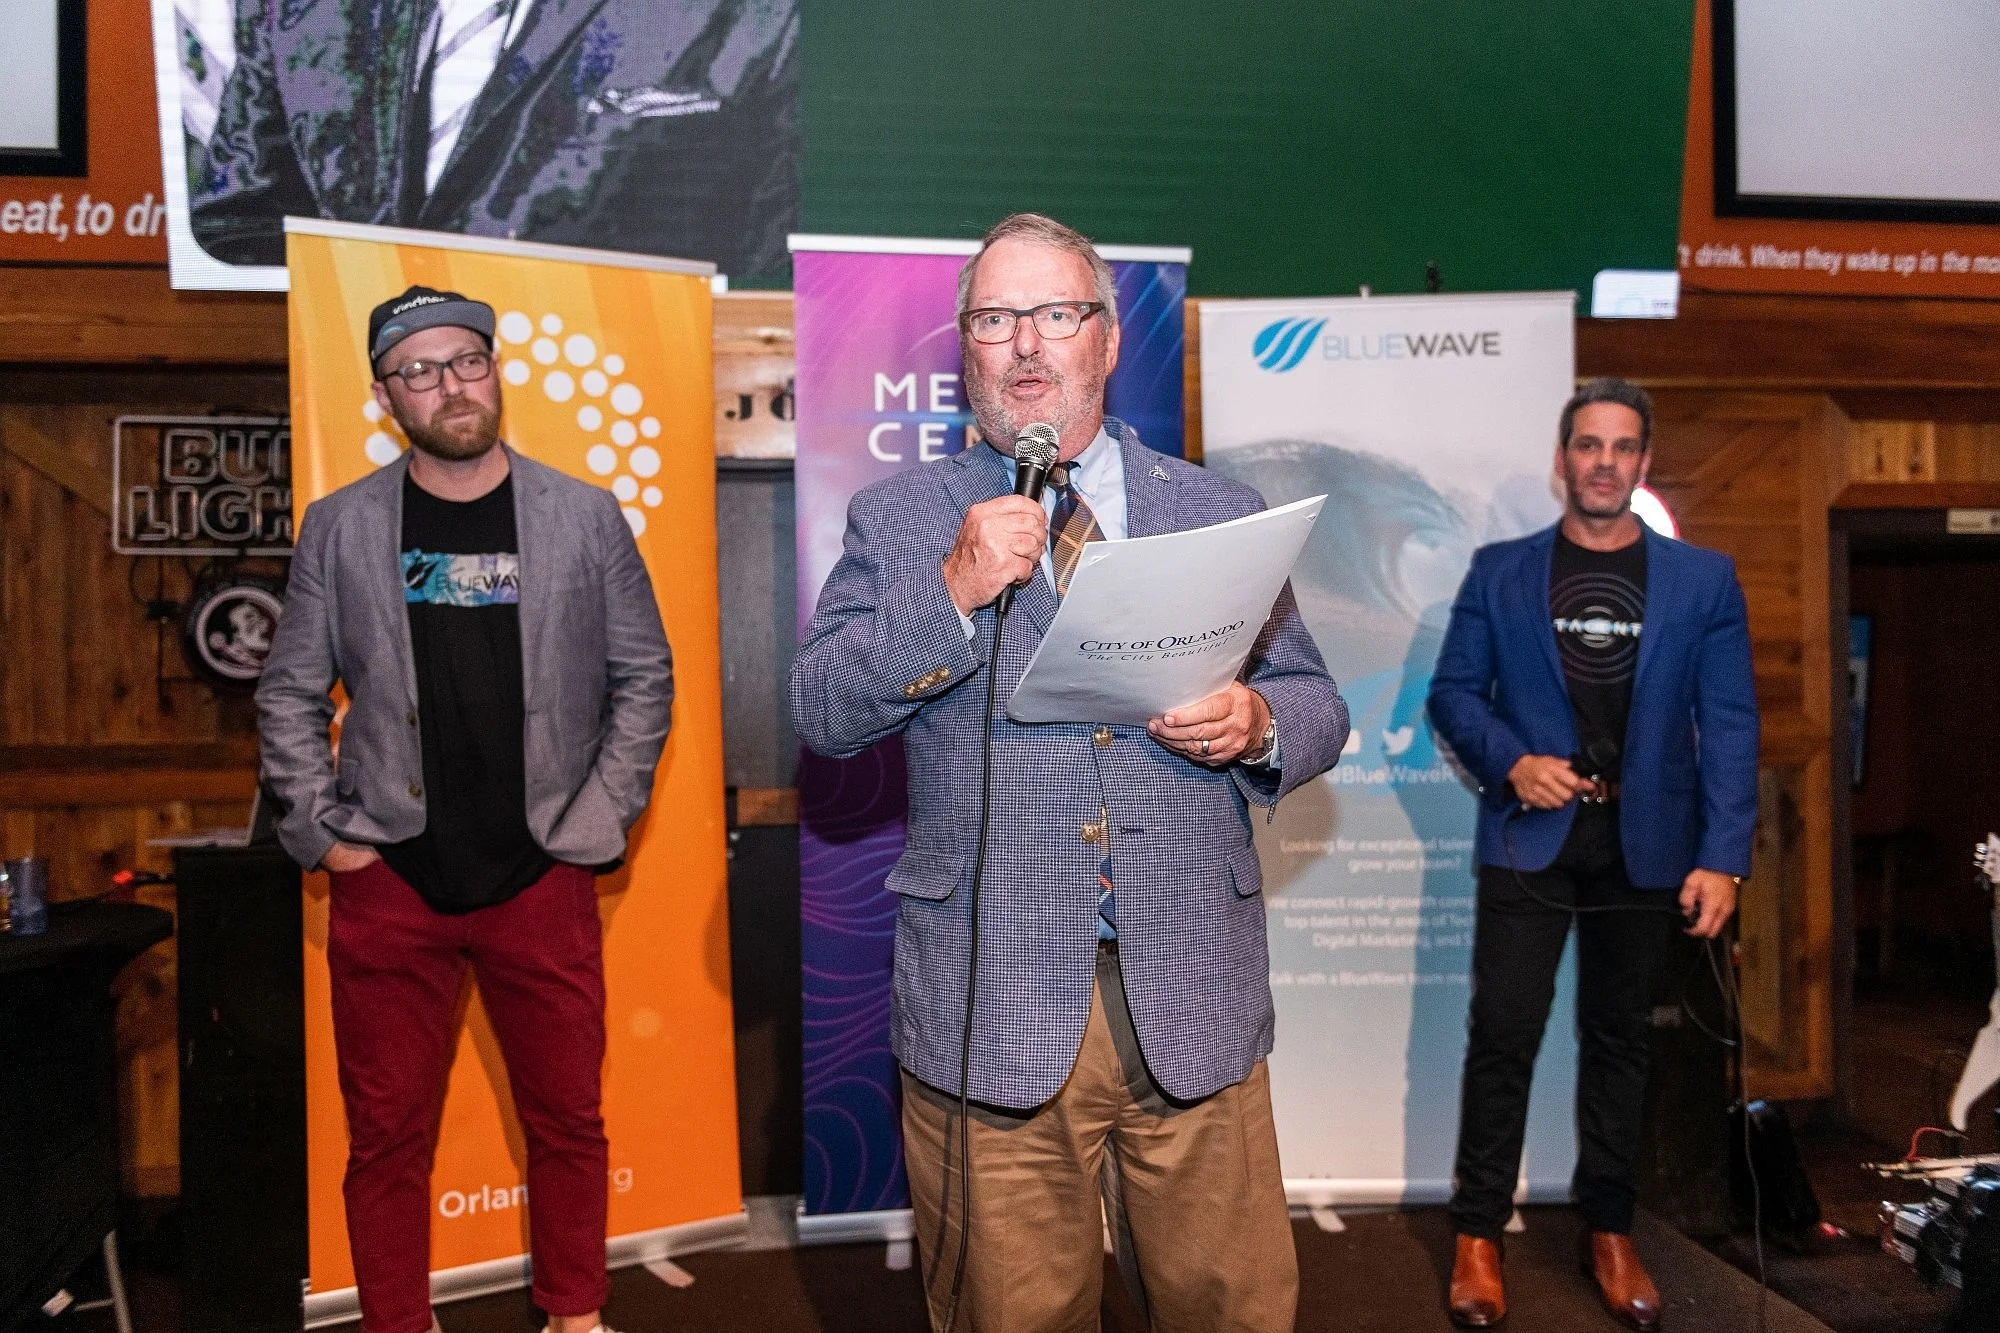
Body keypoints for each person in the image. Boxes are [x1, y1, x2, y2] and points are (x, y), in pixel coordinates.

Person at [790, 212, 1349, 1332]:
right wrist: (950, 591)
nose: (1026, 344)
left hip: (1192, 987)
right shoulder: (899, 518)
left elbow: (1316, 704)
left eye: (1055, 313)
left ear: (1106, 337)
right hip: (987, 1002)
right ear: (966, 346)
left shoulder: (1217, 508)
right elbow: (821, 710)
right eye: (995, 319)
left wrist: (1255, 722)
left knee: (1232, 1311)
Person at [257, 285, 673, 1333]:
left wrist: (596, 820)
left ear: (494, 368)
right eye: (420, 370)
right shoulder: (340, 527)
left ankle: (574, 1314)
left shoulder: (582, 514)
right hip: (389, 880)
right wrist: (322, 833)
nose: (451, 386)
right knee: (386, 1136)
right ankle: (399, 1322)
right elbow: (288, 693)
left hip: (541, 873)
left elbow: (644, 678)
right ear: (385, 394)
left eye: (467, 361)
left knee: (568, 1119)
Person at [1427, 377, 1758, 1331]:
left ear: (1642, 462)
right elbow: (1453, 694)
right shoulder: (1502, 571)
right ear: (1562, 460)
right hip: (1529, 837)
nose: (1604, 462)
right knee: (1504, 1034)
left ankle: (1609, 1228)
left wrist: (1723, 856)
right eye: (1588, 444)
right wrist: (1512, 761)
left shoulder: (1704, 579)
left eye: (1621, 447)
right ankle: (1478, 1233)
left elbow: (1730, 723)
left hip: (1646, 846)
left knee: (1620, 1042)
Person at [190, 0, 797, 276]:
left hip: (623, 400)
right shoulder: (300, 11)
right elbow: (238, 227)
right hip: (363, 414)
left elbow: (776, 256)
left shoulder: (757, 13)